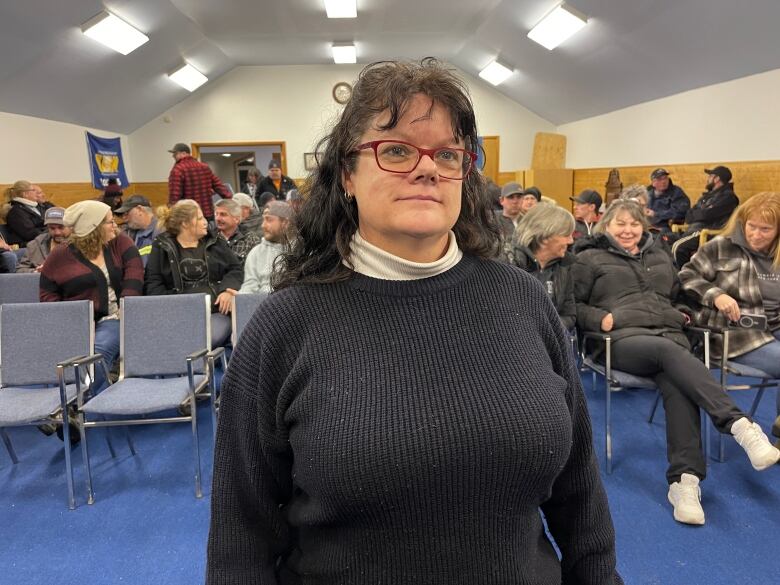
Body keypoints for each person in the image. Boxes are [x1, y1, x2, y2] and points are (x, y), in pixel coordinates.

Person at [207, 58, 622, 584]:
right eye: (397, 149)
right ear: (347, 176)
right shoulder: (285, 326)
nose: (428, 168)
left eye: (448, 154)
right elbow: (241, 537)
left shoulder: (522, 299)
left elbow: (578, 489)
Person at [572, 199, 779, 526]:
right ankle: (739, 424)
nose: (628, 231)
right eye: (620, 224)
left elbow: (679, 296)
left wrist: (686, 314)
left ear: (643, 227)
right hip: (620, 341)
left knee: (678, 383)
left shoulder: (659, 255)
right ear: (606, 226)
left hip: (669, 335)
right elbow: (571, 306)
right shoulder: (587, 258)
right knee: (674, 357)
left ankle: (684, 482)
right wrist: (599, 318)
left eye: (634, 224)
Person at [40, 201, 143, 392]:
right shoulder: (60, 255)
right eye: (109, 223)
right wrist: (71, 321)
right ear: (93, 228)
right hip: (75, 322)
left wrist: (126, 304)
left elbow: (135, 276)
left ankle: (77, 404)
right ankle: (85, 401)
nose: (115, 226)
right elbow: (47, 293)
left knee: (96, 354)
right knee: (67, 356)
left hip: (114, 317)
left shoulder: (121, 243)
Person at [679, 192, 780, 375]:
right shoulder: (721, 246)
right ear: (743, 222)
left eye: (765, 229)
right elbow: (686, 275)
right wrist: (716, 295)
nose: (756, 235)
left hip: (775, 327)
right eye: (751, 226)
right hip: (736, 335)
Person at [144, 200, 243, 348]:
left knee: (203, 341)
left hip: (215, 311)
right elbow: (153, 283)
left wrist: (226, 290)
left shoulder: (215, 241)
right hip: (176, 314)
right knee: (173, 343)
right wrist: (172, 306)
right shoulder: (162, 245)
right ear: (185, 223)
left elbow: (236, 269)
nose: (206, 223)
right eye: (200, 218)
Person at [510, 203, 576, 331]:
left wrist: (550, 330)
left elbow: (569, 315)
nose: (571, 241)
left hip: (550, 341)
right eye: (566, 235)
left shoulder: (564, 267)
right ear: (545, 237)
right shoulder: (510, 264)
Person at [671, 166, 739, 266]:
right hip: (695, 229)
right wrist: (701, 213)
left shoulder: (729, 198)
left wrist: (700, 213)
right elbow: (689, 215)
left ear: (717, 179)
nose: (708, 179)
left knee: (678, 248)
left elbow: (708, 215)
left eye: (710, 176)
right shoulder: (706, 197)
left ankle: (684, 277)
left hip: (709, 231)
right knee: (667, 243)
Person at [167, 142, 232, 222]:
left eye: (175, 154)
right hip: (208, 215)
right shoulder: (204, 167)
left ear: (183, 153)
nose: (173, 156)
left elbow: (174, 196)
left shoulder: (178, 170)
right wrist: (231, 199)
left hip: (189, 217)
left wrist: (171, 215)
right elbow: (219, 186)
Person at [237, 201, 292, 294]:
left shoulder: (300, 250)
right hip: (262, 304)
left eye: (269, 220)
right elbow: (250, 286)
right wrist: (240, 299)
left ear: (285, 223)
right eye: (263, 220)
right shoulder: (256, 253)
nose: (263, 225)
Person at [17, 207, 70, 272]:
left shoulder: (79, 244)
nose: (57, 233)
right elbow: (20, 270)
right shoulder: (35, 245)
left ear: (70, 227)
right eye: (52, 228)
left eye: (61, 228)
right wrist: (36, 271)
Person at [116, 195, 161, 267]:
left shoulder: (162, 232)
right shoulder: (127, 233)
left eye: (126, 213)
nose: (124, 218)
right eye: (122, 215)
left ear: (140, 209)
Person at [213, 199, 261, 264]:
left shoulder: (250, 240)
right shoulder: (210, 238)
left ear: (236, 219)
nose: (217, 218)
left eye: (223, 214)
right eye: (216, 214)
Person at [3, 180, 46, 246]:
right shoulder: (16, 212)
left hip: (40, 240)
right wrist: (49, 233)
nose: (36, 193)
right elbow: (30, 233)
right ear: (25, 194)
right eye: (33, 190)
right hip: (28, 244)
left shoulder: (37, 206)